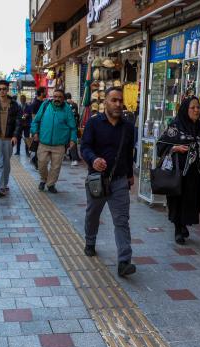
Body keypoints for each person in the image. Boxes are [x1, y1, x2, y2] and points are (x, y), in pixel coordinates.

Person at [80, 87, 136, 277]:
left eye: (120, 100)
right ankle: (90, 241)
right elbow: (85, 147)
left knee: (122, 221)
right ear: (105, 102)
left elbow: (129, 152)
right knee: (93, 214)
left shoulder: (128, 127)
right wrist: (93, 159)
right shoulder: (94, 123)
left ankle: (124, 261)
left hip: (120, 181)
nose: (118, 104)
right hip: (97, 180)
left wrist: (130, 174)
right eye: (114, 100)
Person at [156, 96, 200, 245]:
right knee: (178, 201)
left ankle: (183, 223)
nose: (196, 110)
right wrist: (174, 148)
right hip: (179, 173)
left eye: (198, 107)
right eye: (193, 107)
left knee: (194, 201)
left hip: (196, 174)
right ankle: (178, 229)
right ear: (185, 110)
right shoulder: (175, 126)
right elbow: (160, 146)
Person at [31, 89, 78, 193]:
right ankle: (43, 179)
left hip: (59, 144)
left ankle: (51, 184)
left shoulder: (67, 109)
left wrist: (73, 139)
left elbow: (73, 127)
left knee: (55, 167)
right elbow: (36, 121)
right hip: (44, 142)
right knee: (41, 164)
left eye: (60, 97)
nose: (57, 99)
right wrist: (35, 133)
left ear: (63, 99)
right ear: (52, 96)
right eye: (55, 96)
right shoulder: (45, 105)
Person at [0, 79, 22, 197]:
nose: (2, 91)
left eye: (4, 89)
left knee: (6, 163)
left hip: (9, 138)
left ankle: (5, 183)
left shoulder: (14, 104)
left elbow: (18, 122)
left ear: (7, 90)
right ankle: (0, 187)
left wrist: (15, 136)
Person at [29, 87, 47, 169]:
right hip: (38, 129)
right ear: (41, 93)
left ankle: (35, 160)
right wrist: (35, 131)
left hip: (43, 128)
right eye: (45, 92)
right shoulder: (35, 103)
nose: (46, 93)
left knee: (39, 146)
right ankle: (36, 162)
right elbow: (34, 118)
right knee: (38, 147)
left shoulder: (42, 102)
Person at [65, 92, 81, 166]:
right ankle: (74, 158)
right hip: (74, 125)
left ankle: (73, 158)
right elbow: (77, 115)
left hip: (66, 126)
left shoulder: (65, 105)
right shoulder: (74, 104)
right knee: (72, 141)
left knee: (67, 141)